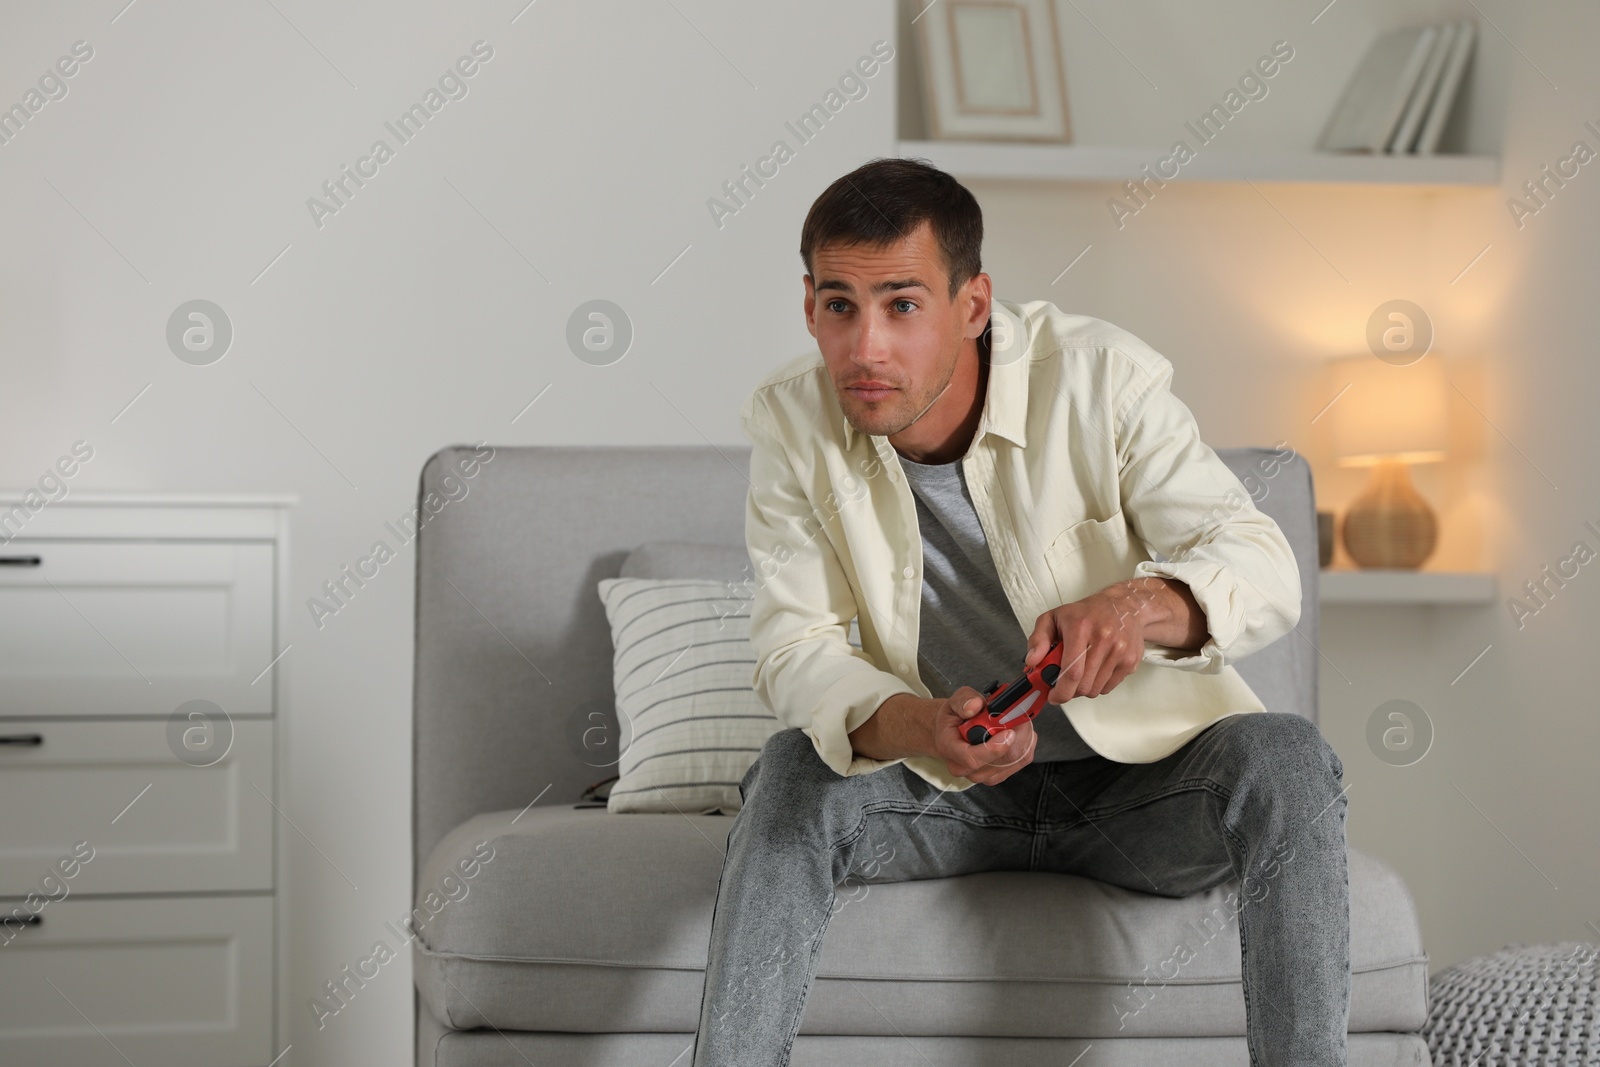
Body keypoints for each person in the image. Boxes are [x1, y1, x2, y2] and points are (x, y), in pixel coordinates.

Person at [690, 157, 1350, 1066]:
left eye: (903, 304)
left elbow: (1263, 565)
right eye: (839, 305)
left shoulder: (1101, 377)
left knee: (1288, 755)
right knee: (791, 771)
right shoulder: (792, 424)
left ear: (973, 304)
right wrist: (924, 724)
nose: (867, 346)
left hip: (1140, 792)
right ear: (809, 308)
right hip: (943, 793)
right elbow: (794, 648)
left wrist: (1137, 605)